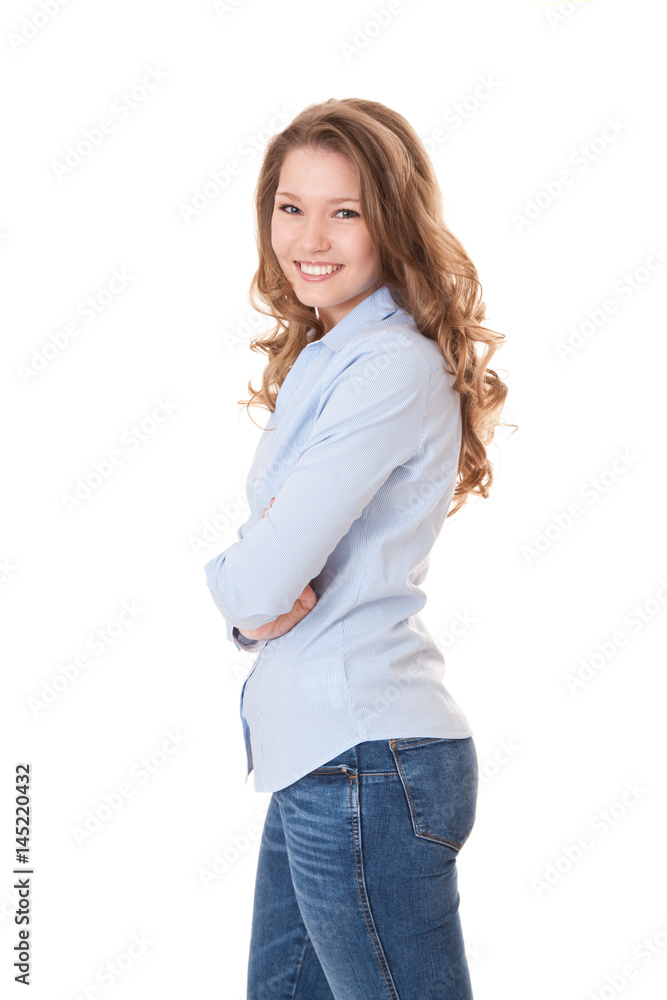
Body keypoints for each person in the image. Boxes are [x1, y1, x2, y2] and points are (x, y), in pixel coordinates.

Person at [204, 97, 513, 1000]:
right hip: (324, 756)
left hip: (365, 762)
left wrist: (241, 589)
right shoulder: (330, 354)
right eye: (290, 207)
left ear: (393, 220)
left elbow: (259, 579)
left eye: (345, 211)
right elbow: (265, 587)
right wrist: (256, 597)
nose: (310, 238)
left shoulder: (387, 366)